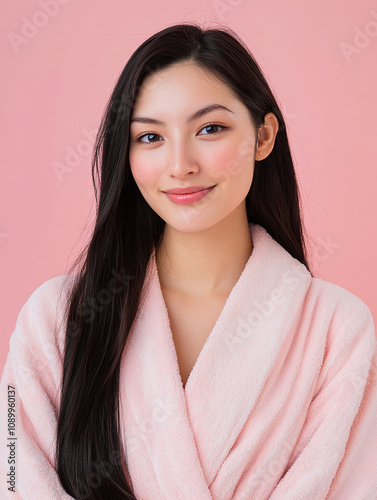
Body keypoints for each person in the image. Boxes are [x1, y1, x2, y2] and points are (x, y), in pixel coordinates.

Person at [1, 23, 376, 500]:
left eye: (210, 129)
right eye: (150, 137)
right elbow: (11, 472)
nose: (180, 164)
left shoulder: (336, 330)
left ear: (263, 137)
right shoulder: (56, 317)